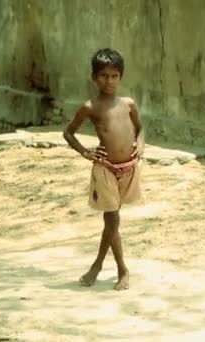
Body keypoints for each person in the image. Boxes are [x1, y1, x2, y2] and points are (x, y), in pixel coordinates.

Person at [63, 48, 144, 291]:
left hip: (128, 167)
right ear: (94, 77)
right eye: (103, 76)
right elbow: (68, 133)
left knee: (113, 220)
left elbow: (140, 129)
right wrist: (85, 152)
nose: (108, 81)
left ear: (121, 77)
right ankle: (104, 267)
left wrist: (140, 145)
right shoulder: (90, 107)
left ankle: (117, 268)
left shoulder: (128, 104)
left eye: (114, 76)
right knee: (112, 218)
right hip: (106, 168)